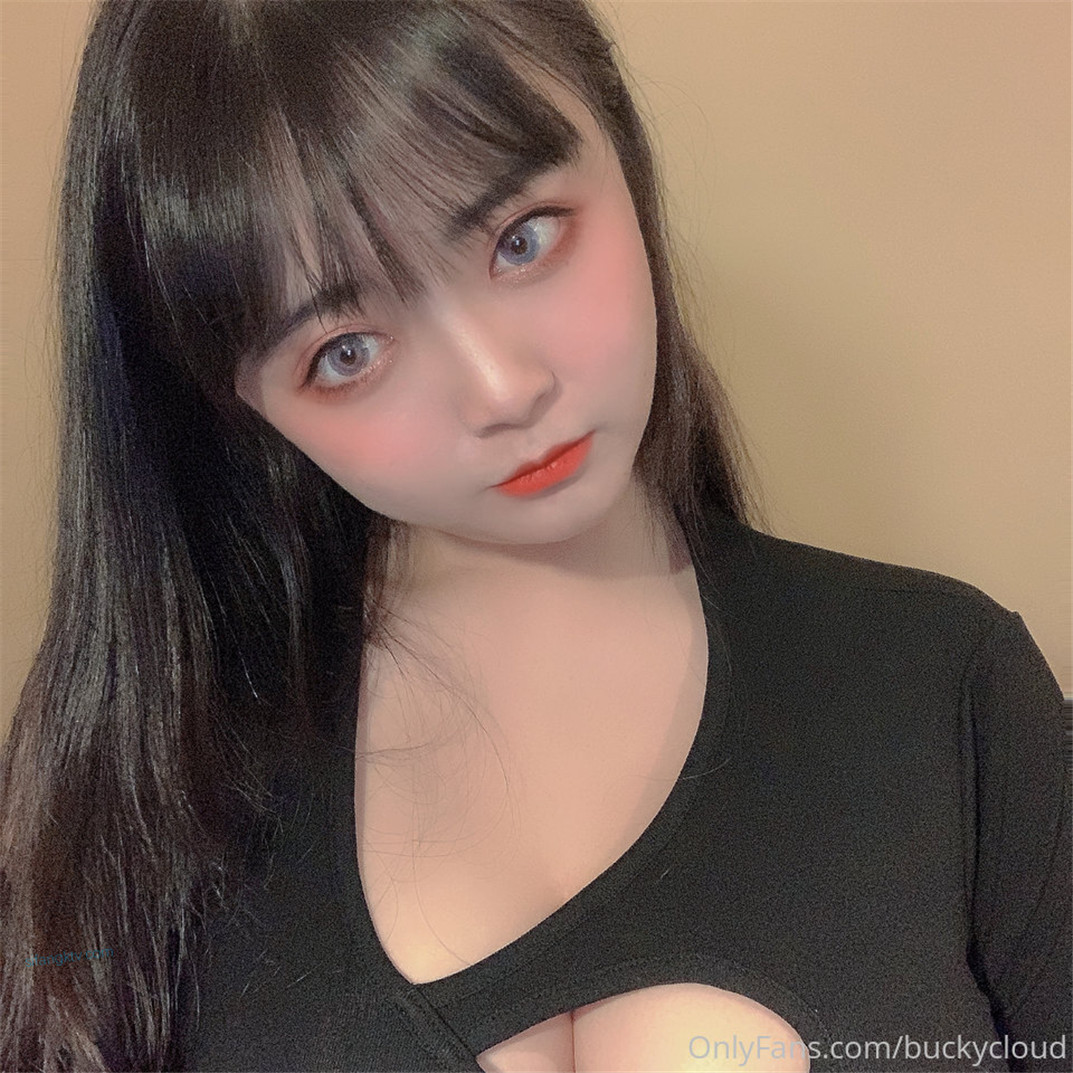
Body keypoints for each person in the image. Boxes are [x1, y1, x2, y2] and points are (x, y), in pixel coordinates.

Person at [0, 1, 1068, 1070]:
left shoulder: (947, 692)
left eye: (523, 238)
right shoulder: (131, 799)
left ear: (622, 149)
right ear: (237, 404)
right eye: (345, 350)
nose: (501, 389)